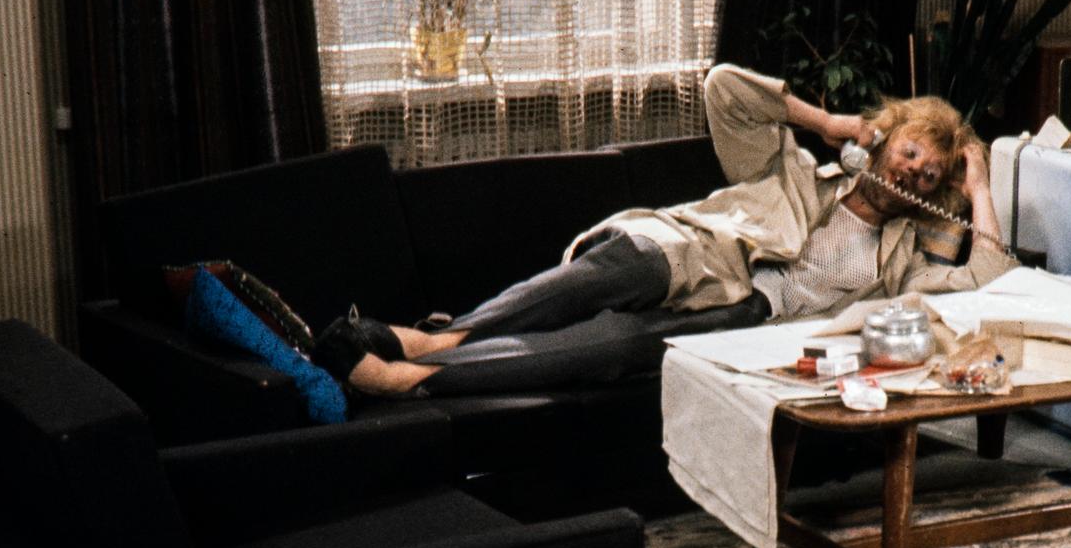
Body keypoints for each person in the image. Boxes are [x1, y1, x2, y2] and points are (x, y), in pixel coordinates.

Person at [318, 64, 1013, 397]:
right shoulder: (792, 169)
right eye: (910, 152)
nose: (914, 172)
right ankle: (446, 335)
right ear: (884, 139)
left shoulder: (901, 262)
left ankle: (417, 375)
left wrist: (978, 187)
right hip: (690, 252)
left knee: (616, 344)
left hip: (745, 312)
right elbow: (724, 88)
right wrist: (826, 122)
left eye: (929, 175)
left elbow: (991, 279)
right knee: (613, 272)